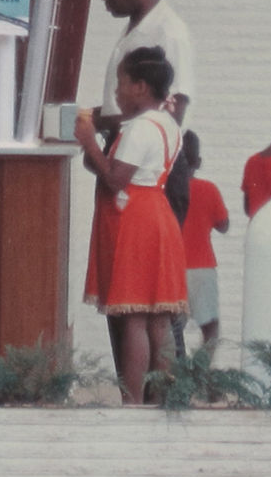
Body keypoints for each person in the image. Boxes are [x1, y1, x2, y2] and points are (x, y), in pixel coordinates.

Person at [75, 46, 189, 405]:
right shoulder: (167, 124)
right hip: (156, 213)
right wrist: (96, 152)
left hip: (135, 220)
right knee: (158, 317)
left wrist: (89, 141)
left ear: (140, 87)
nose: (116, 92)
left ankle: (134, 401)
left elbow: (115, 178)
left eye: (121, 83)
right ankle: (164, 397)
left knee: (136, 317)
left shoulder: (140, 129)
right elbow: (114, 169)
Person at [94, 0, 195, 132]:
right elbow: (124, 108)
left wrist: (98, 123)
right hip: (124, 152)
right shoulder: (135, 26)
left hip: (144, 159)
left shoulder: (169, 33)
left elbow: (172, 113)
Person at [174, 130, 230, 358]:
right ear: (198, 161)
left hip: (172, 268)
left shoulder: (165, 190)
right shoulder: (208, 189)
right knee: (210, 326)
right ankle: (203, 376)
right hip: (202, 267)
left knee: (172, 327)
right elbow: (223, 225)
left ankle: (175, 376)